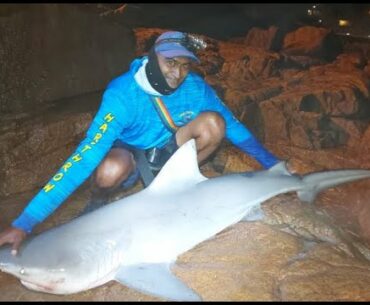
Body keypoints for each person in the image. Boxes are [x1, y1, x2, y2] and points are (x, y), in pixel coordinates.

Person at [0, 31, 282, 255]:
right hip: (130, 152)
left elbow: (233, 127)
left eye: (184, 65)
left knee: (214, 124)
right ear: (152, 57)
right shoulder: (122, 94)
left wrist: (272, 164)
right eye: (170, 62)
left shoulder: (195, 87)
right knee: (109, 169)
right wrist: (24, 223)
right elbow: (84, 157)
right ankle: (97, 204)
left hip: (167, 149)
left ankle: (175, 185)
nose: (177, 73)